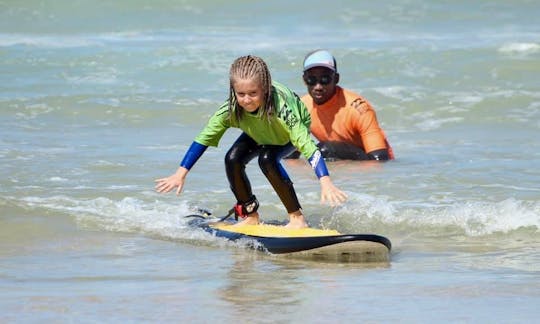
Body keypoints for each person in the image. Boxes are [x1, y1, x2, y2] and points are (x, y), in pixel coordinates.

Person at [155, 55, 347, 229]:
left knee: (267, 159)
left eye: (253, 93)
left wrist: (325, 181)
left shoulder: (281, 107)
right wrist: (180, 173)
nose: (247, 100)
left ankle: (297, 219)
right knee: (232, 159)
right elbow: (203, 138)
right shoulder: (230, 109)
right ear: (234, 91)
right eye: (241, 94)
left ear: (264, 88)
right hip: (257, 131)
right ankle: (250, 215)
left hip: (285, 134)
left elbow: (307, 146)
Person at [287, 49, 394, 161]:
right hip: (342, 166)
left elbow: (380, 161)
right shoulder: (301, 108)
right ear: (304, 80)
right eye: (311, 79)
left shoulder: (359, 110)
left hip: (371, 162)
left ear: (336, 79)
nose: (318, 86)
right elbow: (290, 157)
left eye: (325, 79)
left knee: (324, 150)